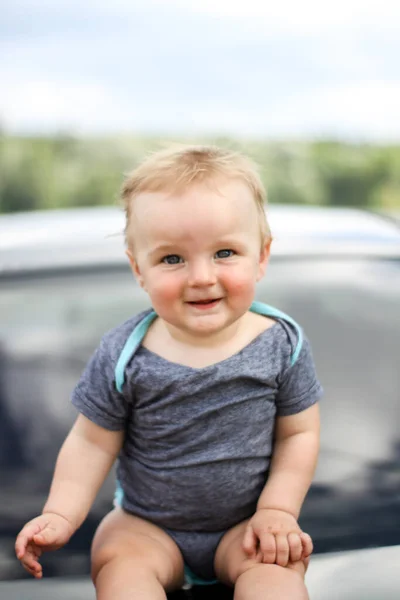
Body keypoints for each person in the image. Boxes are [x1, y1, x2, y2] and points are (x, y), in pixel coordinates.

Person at [15, 145, 322, 600]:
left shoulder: (283, 345)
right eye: (172, 259)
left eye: (224, 252)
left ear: (261, 256)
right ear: (139, 268)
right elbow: (91, 440)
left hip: (247, 528)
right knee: (120, 566)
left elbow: (299, 434)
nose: (201, 276)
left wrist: (277, 511)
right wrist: (60, 514)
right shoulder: (124, 354)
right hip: (146, 526)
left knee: (277, 580)